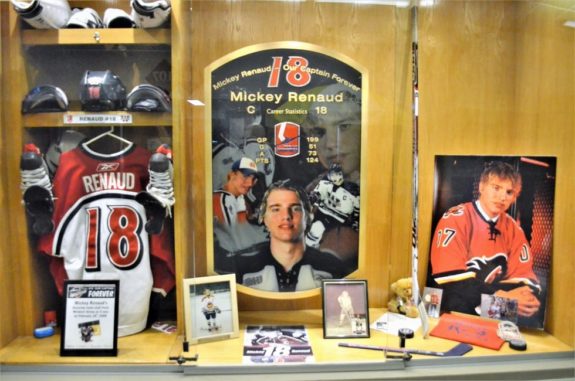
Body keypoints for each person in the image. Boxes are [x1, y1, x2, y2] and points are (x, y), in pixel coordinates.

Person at [430, 161, 541, 319]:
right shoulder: (456, 217)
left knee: (530, 310)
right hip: (450, 310)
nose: (502, 197)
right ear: (481, 187)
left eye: (509, 192)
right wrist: (501, 297)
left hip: (494, 313)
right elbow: (449, 280)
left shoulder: (514, 229)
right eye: (496, 188)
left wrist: (503, 301)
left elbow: (526, 284)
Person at [236, 180, 344, 292]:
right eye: (276, 209)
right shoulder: (242, 267)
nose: (286, 216)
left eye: (295, 208)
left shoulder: (332, 268)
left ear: (309, 216)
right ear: (263, 218)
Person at [212, 157, 268, 273]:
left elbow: (242, 226)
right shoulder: (221, 198)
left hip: (241, 261)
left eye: (253, 179)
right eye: (245, 176)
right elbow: (236, 239)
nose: (249, 183)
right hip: (228, 264)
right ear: (232, 175)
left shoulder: (241, 198)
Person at [306, 163, 360, 250]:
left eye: (339, 174)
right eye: (334, 174)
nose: (336, 177)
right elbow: (314, 196)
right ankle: (309, 248)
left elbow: (357, 210)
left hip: (341, 220)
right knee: (316, 228)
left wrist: (355, 222)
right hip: (323, 214)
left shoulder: (353, 190)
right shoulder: (325, 184)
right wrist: (309, 205)